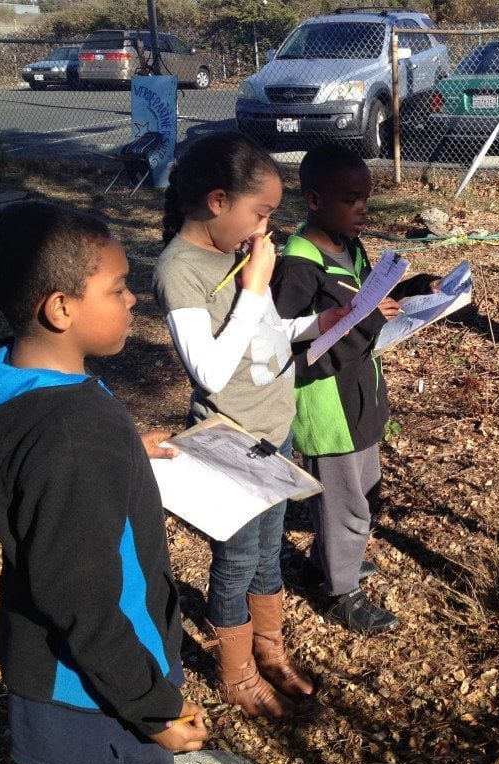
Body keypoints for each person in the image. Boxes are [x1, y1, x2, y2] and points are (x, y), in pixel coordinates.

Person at [0, 201, 207, 764]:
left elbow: (35, 471)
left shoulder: (8, 381)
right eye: (117, 289)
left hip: (53, 676)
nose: (133, 299)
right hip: (92, 697)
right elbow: (84, 601)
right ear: (61, 308)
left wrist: (120, 449)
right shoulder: (70, 436)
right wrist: (153, 709)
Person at [153, 131, 348, 717]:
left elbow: (265, 333)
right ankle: (236, 674)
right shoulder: (179, 270)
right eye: (260, 212)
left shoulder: (240, 252)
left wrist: (323, 321)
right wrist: (255, 284)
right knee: (236, 561)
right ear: (217, 201)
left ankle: (271, 651)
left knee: (268, 555)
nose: (266, 226)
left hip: (274, 429)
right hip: (230, 441)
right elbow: (211, 373)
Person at [270, 144, 440, 636]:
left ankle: (330, 562)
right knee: (344, 501)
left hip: (360, 391)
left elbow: (369, 301)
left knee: (362, 489)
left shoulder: (350, 245)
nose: (362, 209)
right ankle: (341, 592)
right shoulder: (300, 265)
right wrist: (363, 324)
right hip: (327, 404)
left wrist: (417, 291)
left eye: (366, 197)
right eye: (351, 199)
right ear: (315, 199)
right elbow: (289, 340)